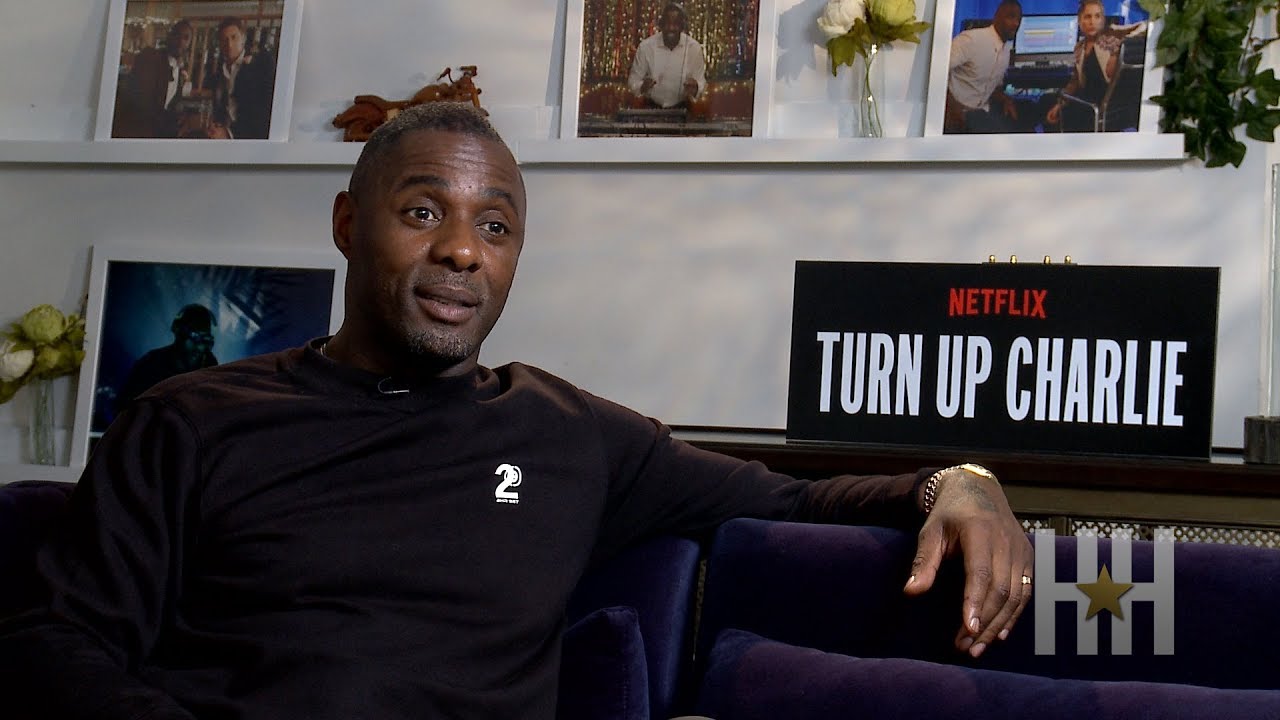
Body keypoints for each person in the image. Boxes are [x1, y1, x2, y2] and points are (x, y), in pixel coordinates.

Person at [0, 102, 1033, 719]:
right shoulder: (192, 419)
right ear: (348, 224)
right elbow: (54, 640)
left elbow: (796, 502)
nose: (461, 250)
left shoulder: (565, 433)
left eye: (494, 227)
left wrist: (963, 482)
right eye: (423, 212)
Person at [1045, 0, 1146, 131]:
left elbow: (1144, 27)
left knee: (1052, 110)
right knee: (1047, 101)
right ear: (1080, 21)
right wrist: (1059, 104)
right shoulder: (1079, 47)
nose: (1092, 22)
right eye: (1087, 17)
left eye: (1097, 16)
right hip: (1085, 102)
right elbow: (1075, 82)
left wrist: (1123, 45)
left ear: (1103, 20)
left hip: (1100, 108)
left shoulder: (1111, 36)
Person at [115, 303, 219, 412]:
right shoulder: (151, 364)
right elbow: (124, 406)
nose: (200, 347)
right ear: (179, 332)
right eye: (194, 336)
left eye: (205, 339)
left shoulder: (209, 365)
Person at [944, 0, 1023, 133]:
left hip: (981, 111)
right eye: (1011, 17)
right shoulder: (971, 40)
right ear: (997, 17)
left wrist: (1005, 99)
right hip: (957, 111)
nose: (1016, 24)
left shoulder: (1006, 50)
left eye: (1018, 19)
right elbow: (937, 72)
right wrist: (950, 106)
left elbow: (990, 86)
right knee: (1004, 137)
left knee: (1026, 115)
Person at [111, 19, 194, 138]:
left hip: (163, 132)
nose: (181, 41)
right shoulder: (151, 57)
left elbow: (171, 104)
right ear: (170, 36)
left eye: (186, 38)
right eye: (177, 35)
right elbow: (140, 101)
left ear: (190, 43)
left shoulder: (180, 69)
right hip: (139, 130)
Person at [627, 2, 707, 109]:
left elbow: (702, 84)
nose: (671, 28)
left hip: (682, 109)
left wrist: (696, 88)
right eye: (667, 24)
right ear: (661, 25)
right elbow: (633, 81)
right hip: (651, 108)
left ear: (682, 27)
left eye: (676, 24)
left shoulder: (694, 48)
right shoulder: (646, 47)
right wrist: (642, 86)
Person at [207, 16, 277, 139]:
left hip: (251, 138)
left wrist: (229, 134)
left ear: (243, 38)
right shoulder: (218, 74)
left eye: (234, 37)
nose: (229, 44)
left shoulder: (259, 66)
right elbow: (221, 109)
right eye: (224, 40)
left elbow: (262, 112)